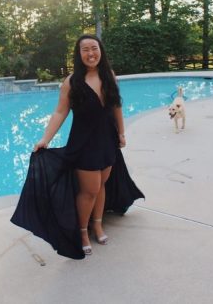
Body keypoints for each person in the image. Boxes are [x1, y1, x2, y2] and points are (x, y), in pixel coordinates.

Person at [11, 34, 144, 259]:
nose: (91, 53)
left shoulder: (109, 75)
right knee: (89, 190)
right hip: (84, 143)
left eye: (94, 48)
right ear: (79, 54)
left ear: (101, 50)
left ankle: (98, 224)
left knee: (101, 185)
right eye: (85, 50)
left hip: (107, 140)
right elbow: (60, 112)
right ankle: (82, 232)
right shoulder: (71, 82)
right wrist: (46, 139)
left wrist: (121, 132)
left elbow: (116, 106)